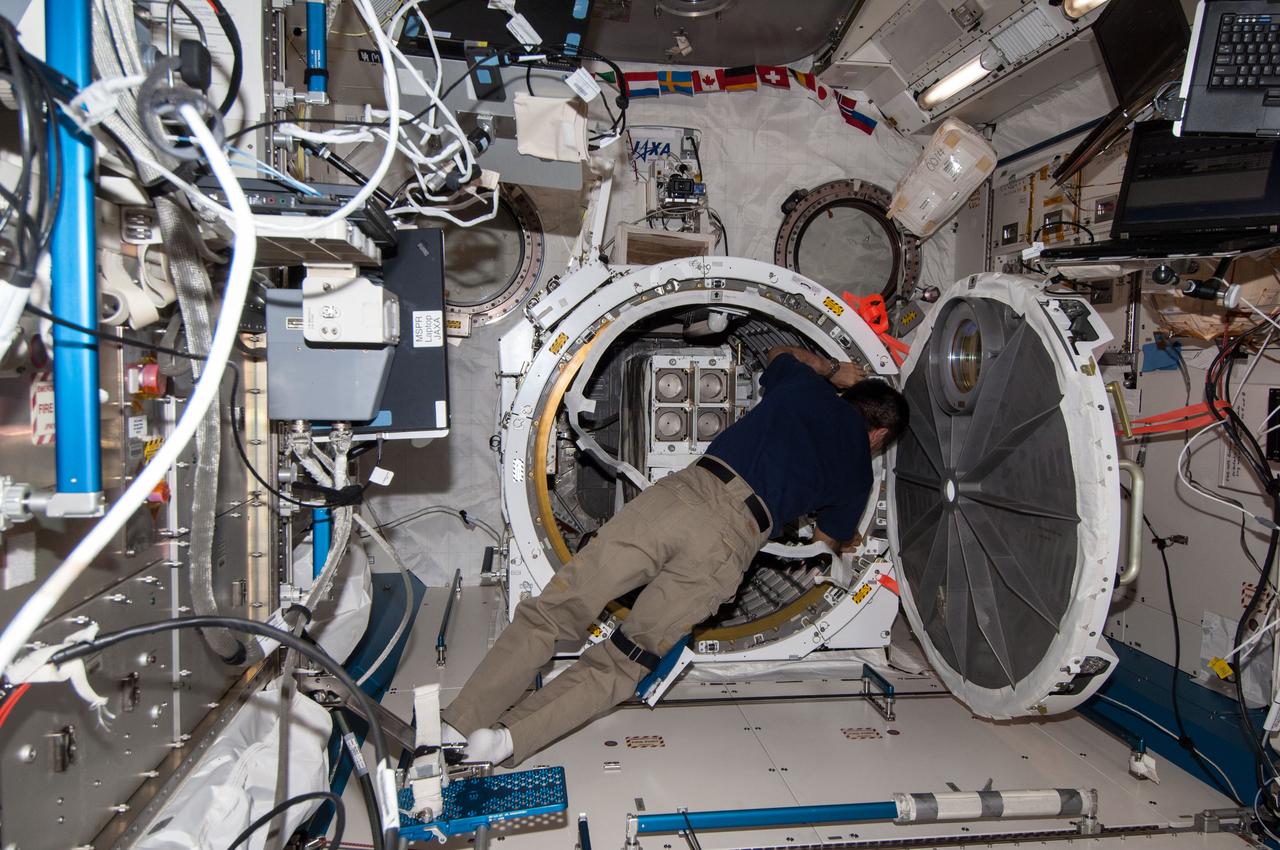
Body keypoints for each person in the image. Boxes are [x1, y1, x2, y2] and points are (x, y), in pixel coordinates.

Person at [442, 346, 910, 765]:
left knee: (558, 609)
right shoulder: (857, 473)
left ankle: (457, 724)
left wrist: (832, 370)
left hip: (682, 495)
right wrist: (833, 531)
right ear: (880, 436)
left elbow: (779, 355)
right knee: (628, 657)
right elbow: (828, 541)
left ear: (851, 396)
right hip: (732, 541)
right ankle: (507, 740)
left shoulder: (806, 387)